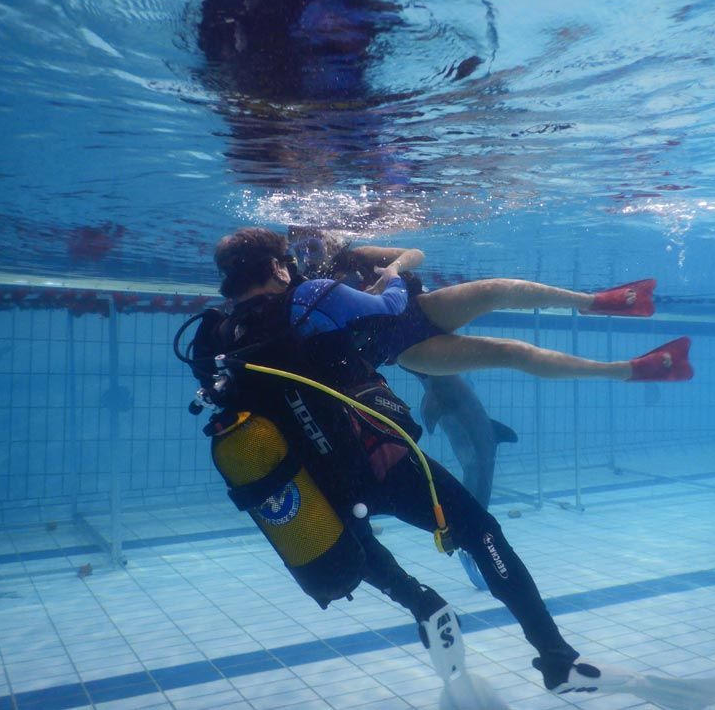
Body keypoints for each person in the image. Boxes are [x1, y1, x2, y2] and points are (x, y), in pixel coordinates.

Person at [184, 227, 605, 694]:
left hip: (318, 486)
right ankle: (556, 658)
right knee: (481, 532)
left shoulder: (214, 336)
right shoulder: (310, 297)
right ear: (277, 267)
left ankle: (420, 602)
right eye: (287, 261)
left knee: (358, 547)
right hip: (382, 461)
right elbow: (391, 307)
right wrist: (394, 276)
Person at [286, 225, 693, 381]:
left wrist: (392, 269)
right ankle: (627, 370)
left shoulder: (357, 256)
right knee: (512, 352)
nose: (310, 249)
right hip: (408, 349)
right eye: (300, 243)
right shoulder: (303, 290)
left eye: (314, 238)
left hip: (422, 308)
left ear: (332, 237)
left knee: (497, 288)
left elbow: (415, 254)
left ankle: (594, 302)